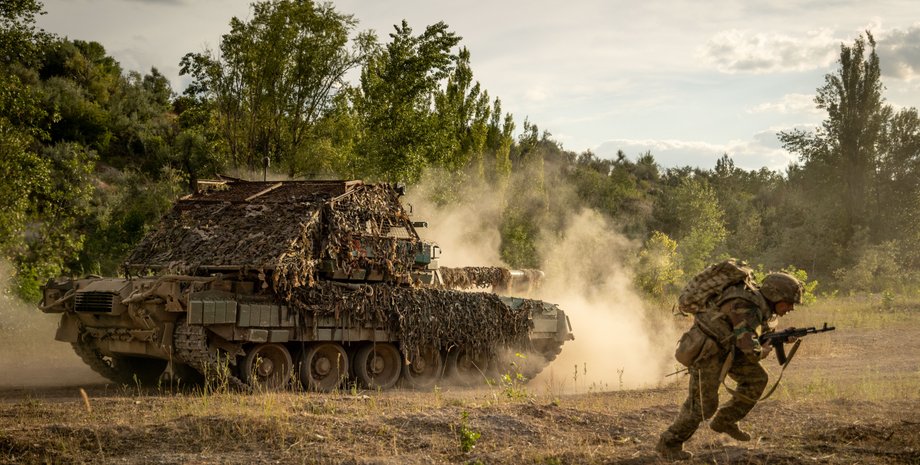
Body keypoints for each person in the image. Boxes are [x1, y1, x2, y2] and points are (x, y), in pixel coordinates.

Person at [656, 272, 804, 460]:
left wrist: (780, 336)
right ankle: (669, 443)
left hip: (729, 350)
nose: (791, 308)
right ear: (775, 296)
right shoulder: (746, 306)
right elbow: (749, 347)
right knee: (703, 405)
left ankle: (725, 420)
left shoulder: (760, 305)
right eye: (789, 302)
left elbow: (753, 333)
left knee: (756, 379)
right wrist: (762, 351)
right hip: (708, 352)